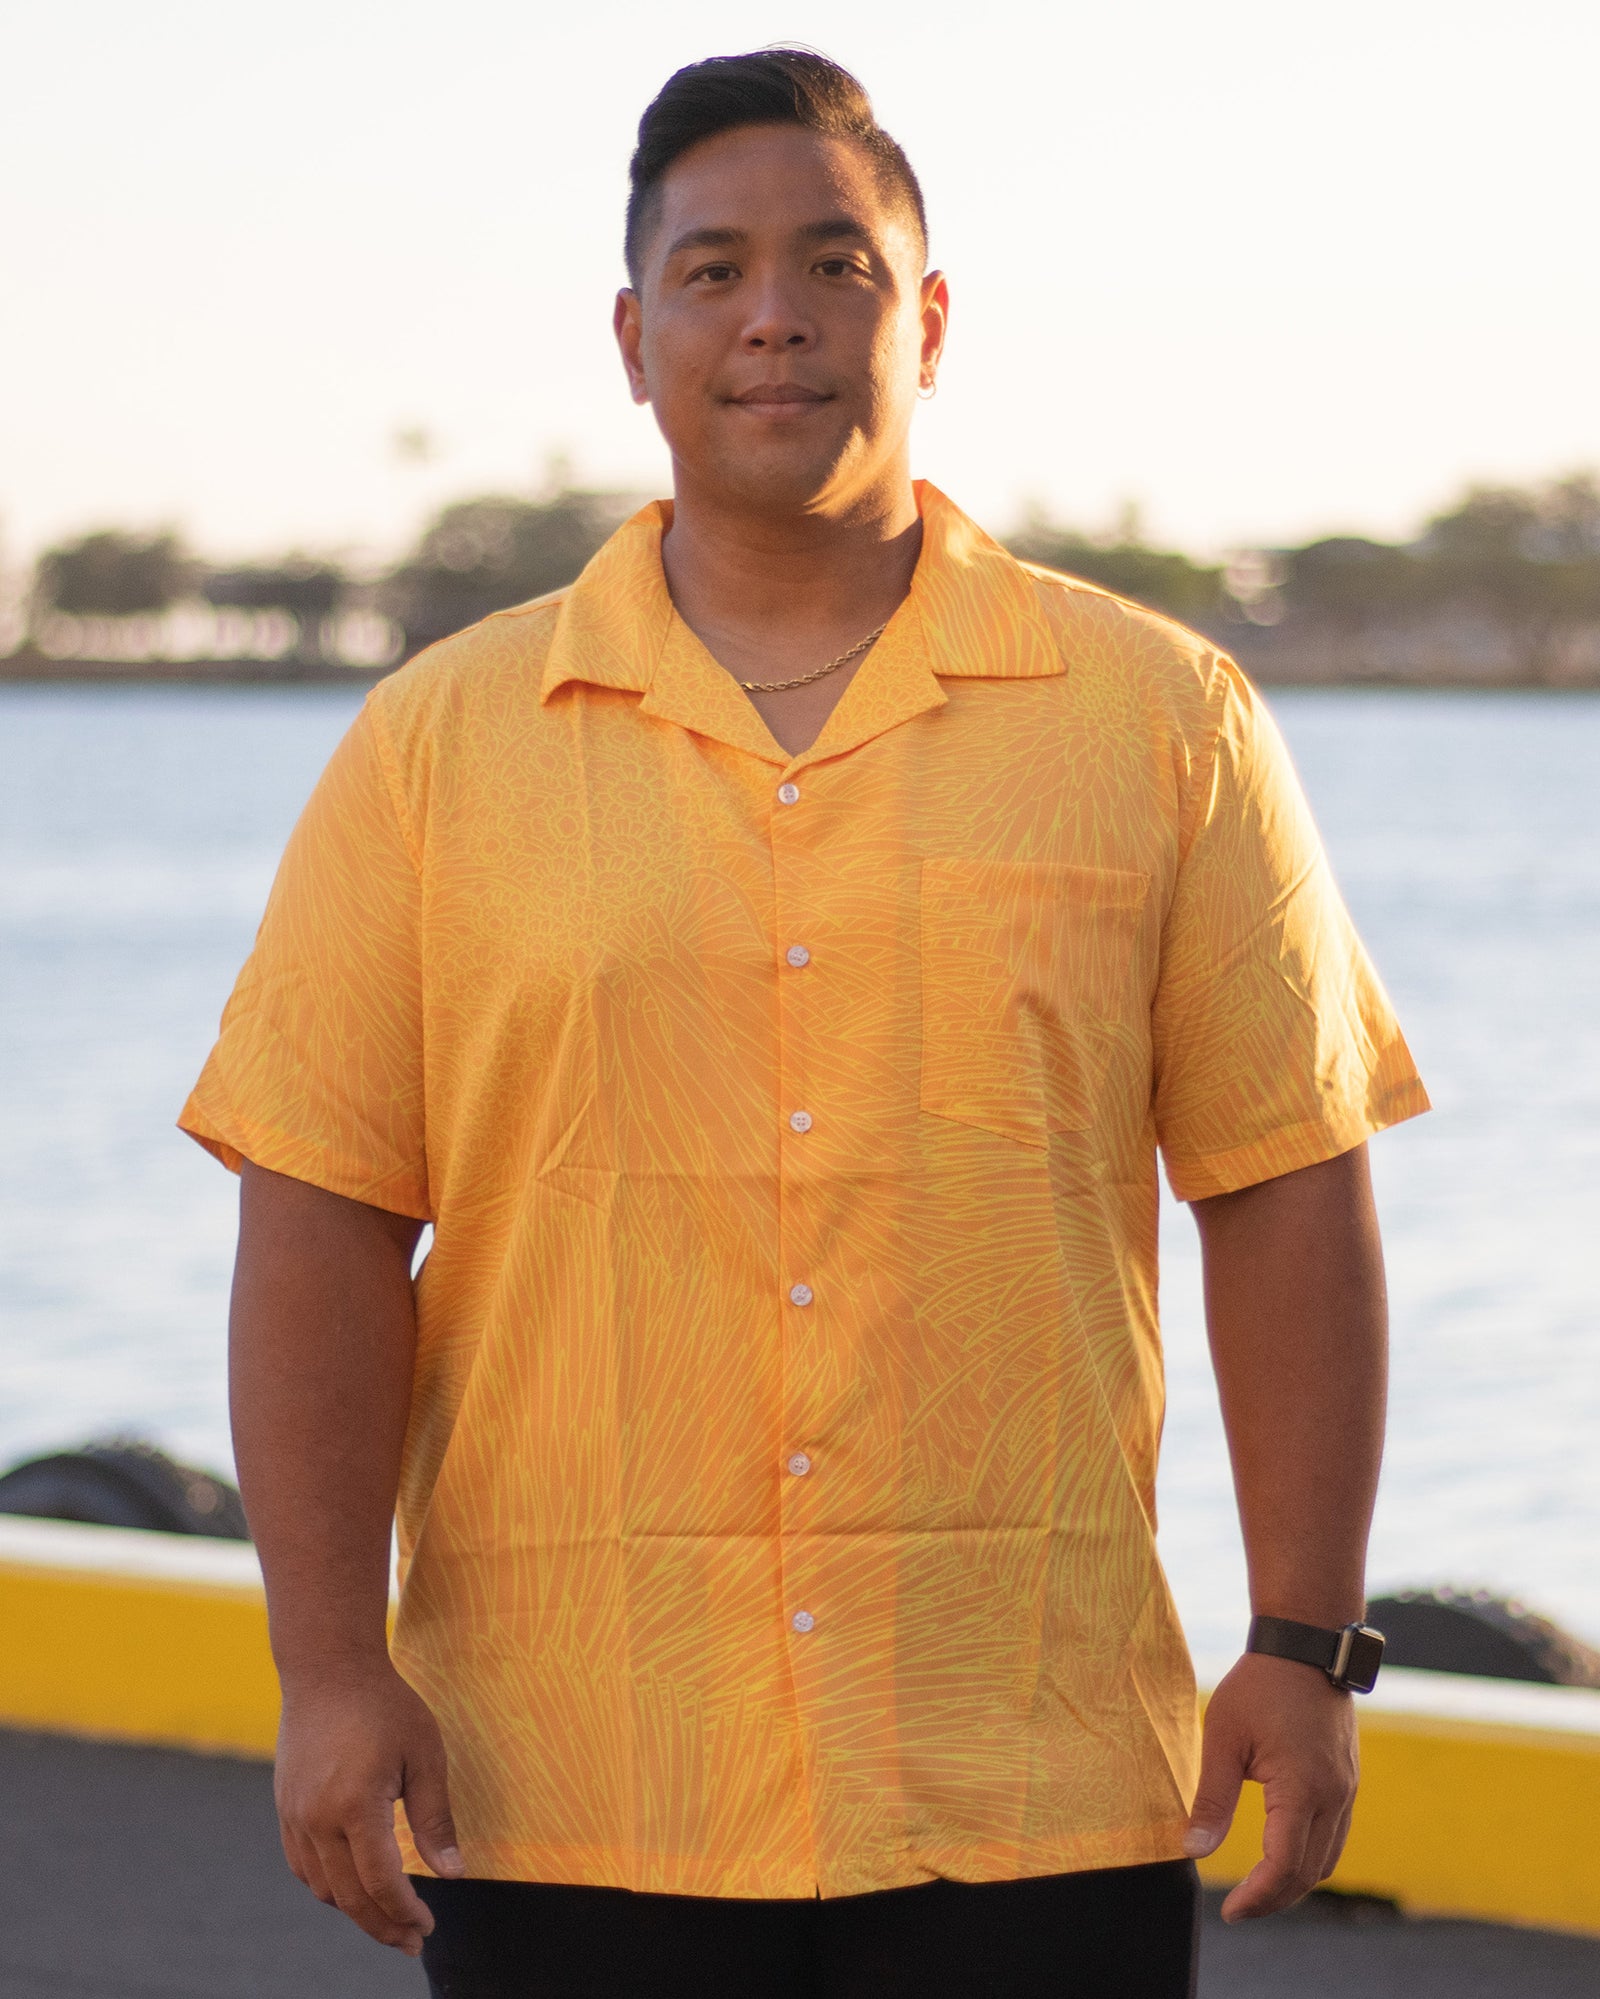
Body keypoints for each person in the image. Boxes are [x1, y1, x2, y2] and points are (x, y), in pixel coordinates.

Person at [181, 48, 1427, 1999]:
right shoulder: (434, 747)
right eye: (712, 271)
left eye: (835, 265)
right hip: (569, 1782)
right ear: (633, 339)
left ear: (923, 322)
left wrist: (1303, 1636)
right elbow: (324, 1217)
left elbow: (1281, 1184)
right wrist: (329, 1664)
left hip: (1024, 1783)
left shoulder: (1160, 721)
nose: (773, 316)